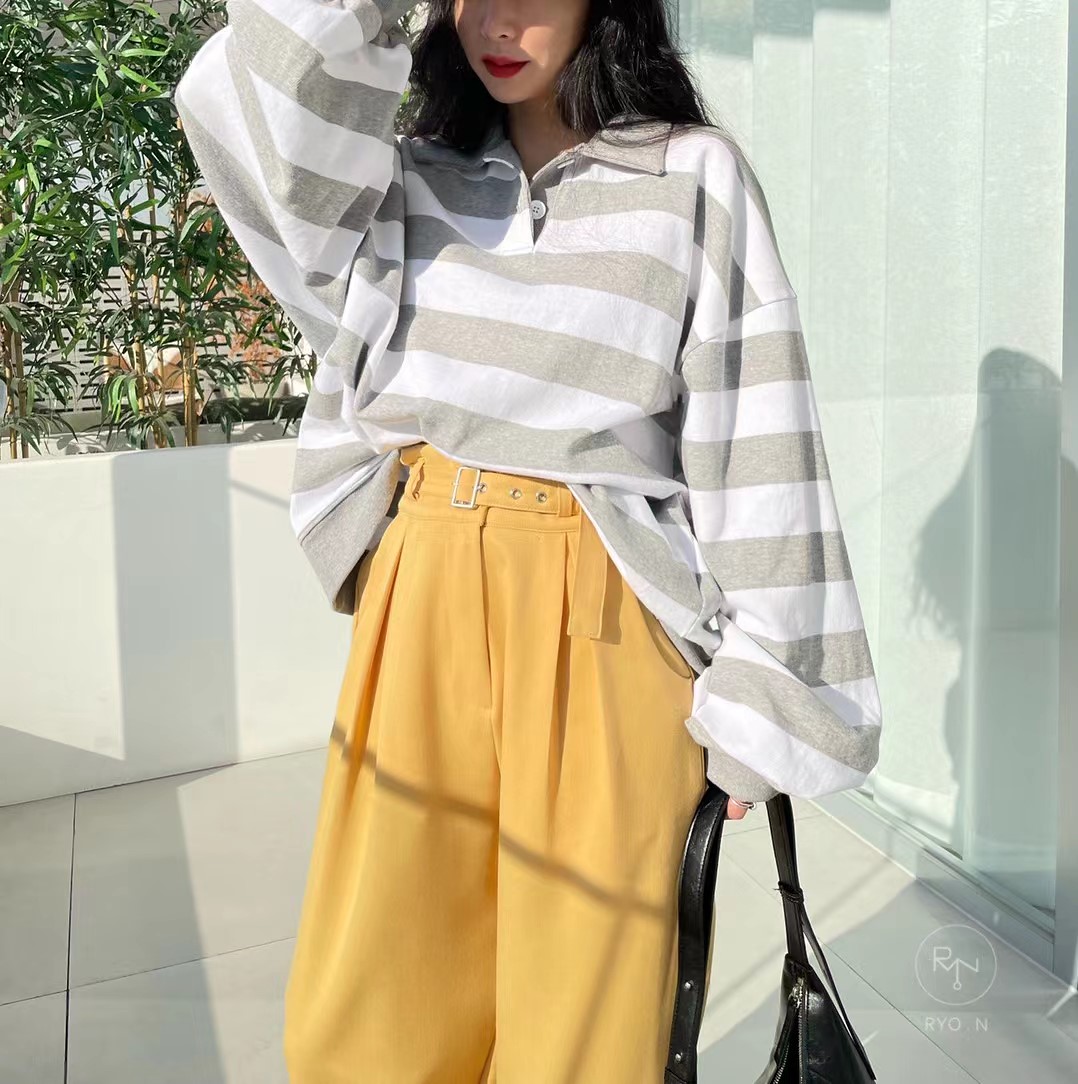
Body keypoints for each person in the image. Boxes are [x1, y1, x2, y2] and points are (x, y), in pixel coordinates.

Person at [174, 0, 883, 1079]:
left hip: (608, 626)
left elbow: (757, 428)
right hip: (421, 607)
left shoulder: (691, 177)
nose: (496, 19)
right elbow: (246, 91)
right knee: (375, 1013)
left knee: (582, 1028)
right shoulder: (396, 178)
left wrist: (766, 692)